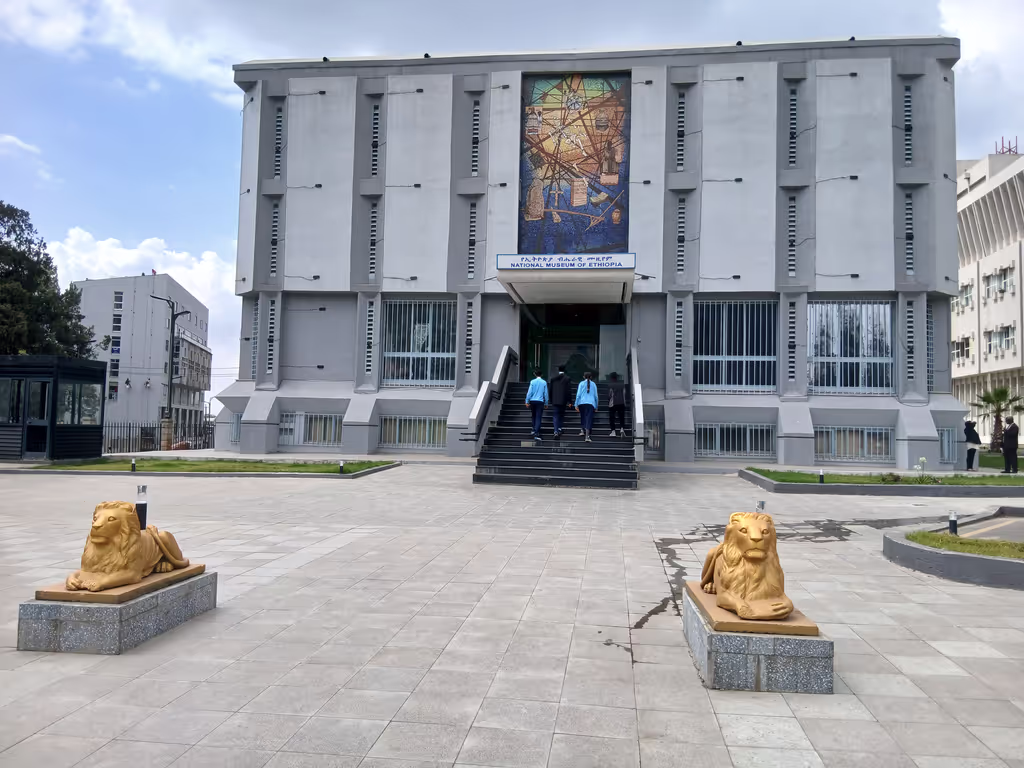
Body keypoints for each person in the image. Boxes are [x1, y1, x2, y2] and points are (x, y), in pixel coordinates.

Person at [548, 365, 573, 439]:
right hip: (563, 400)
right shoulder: (567, 379)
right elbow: (568, 390)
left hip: (555, 400)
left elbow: (550, 390)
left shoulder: (553, 379)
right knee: (561, 415)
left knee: (555, 415)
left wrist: (551, 399)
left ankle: (556, 430)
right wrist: (570, 401)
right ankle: (559, 428)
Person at [524, 368, 548, 442]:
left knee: (533, 415)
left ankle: (534, 429)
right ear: (542, 375)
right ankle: (537, 432)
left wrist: (527, 401)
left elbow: (529, 392)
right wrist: (546, 402)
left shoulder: (532, 382)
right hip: (540, 401)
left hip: (533, 401)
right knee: (538, 417)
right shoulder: (544, 382)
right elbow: (545, 394)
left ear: (535, 374)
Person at [575, 371, 599, 443]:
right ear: (591, 377)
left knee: (583, 417)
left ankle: (582, 430)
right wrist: (596, 406)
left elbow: (578, 395)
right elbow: (596, 396)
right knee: (589, 419)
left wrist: (576, 404)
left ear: (583, 377)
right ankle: (587, 436)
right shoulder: (594, 384)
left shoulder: (581, 384)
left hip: (581, 403)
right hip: (591, 403)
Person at [607, 372, 626, 438]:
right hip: (621, 403)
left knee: (612, 418)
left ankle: (613, 431)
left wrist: (609, 401)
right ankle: (622, 428)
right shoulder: (622, 384)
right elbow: (624, 393)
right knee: (621, 417)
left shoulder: (610, 385)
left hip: (613, 403)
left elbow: (609, 395)